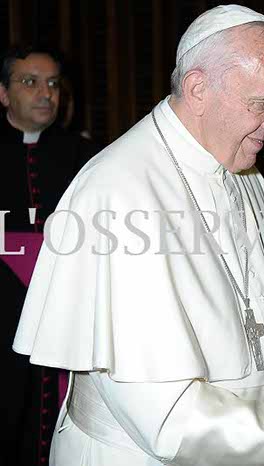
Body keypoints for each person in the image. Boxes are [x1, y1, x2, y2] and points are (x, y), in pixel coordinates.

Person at [11, 5, 264, 465]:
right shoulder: (119, 191)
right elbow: (165, 418)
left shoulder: (242, 173)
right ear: (198, 88)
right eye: (263, 103)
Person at [0, 45, 97, 466]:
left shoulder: (84, 155)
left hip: (61, 310)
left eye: (53, 84)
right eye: (30, 82)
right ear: (3, 94)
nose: (45, 93)